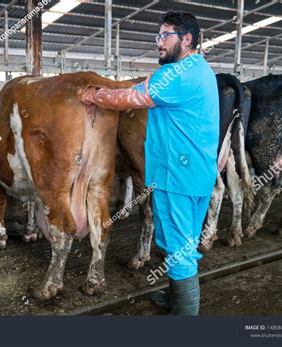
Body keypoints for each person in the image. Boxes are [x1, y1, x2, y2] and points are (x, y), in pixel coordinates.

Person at [80, 11, 219, 315]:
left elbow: (131, 98)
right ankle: (177, 299)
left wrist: (95, 95)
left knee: (176, 246)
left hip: (176, 177)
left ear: (187, 39)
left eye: (164, 36)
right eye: (158, 36)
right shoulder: (202, 70)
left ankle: (184, 317)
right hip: (196, 174)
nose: (159, 42)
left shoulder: (181, 74)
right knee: (185, 243)